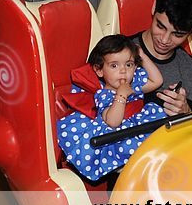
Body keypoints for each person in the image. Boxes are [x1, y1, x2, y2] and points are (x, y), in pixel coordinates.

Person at [57, 34, 165, 181]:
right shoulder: (104, 94)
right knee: (131, 154)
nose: (123, 71)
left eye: (129, 64)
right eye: (114, 65)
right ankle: (124, 169)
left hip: (139, 126)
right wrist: (121, 95)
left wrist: (142, 55)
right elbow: (113, 121)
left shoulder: (134, 84)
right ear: (99, 70)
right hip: (119, 136)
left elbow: (157, 81)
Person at [130, 0, 192, 115]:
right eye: (160, 26)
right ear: (154, 6)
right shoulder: (115, 51)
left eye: (177, 34)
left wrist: (187, 114)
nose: (164, 40)